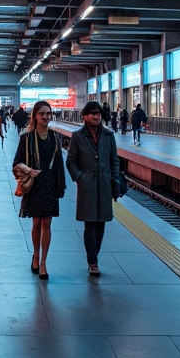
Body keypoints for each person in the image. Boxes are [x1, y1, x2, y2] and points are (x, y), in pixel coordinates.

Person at [65, 101, 122, 277]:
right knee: (90, 223)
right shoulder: (78, 136)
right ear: (85, 116)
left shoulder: (108, 135)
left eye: (98, 114)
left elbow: (114, 160)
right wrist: (80, 178)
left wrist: (115, 180)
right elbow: (71, 161)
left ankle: (94, 255)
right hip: (87, 185)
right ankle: (92, 261)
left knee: (101, 223)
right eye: (92, 114)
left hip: (104, 183)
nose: (96, 116)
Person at [14, 100, 65, 280]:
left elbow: (59, 163)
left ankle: (43, 262)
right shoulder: (26, 137)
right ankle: (36, 254)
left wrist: (61, 185)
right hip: (34, 184)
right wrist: (29, 170)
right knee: (36, 223)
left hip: (50, 183)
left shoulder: (55, 137)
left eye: (48, 114)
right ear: (35, 116)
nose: (45, 117)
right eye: (42, 113)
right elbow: (17, 163)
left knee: (47, 224)